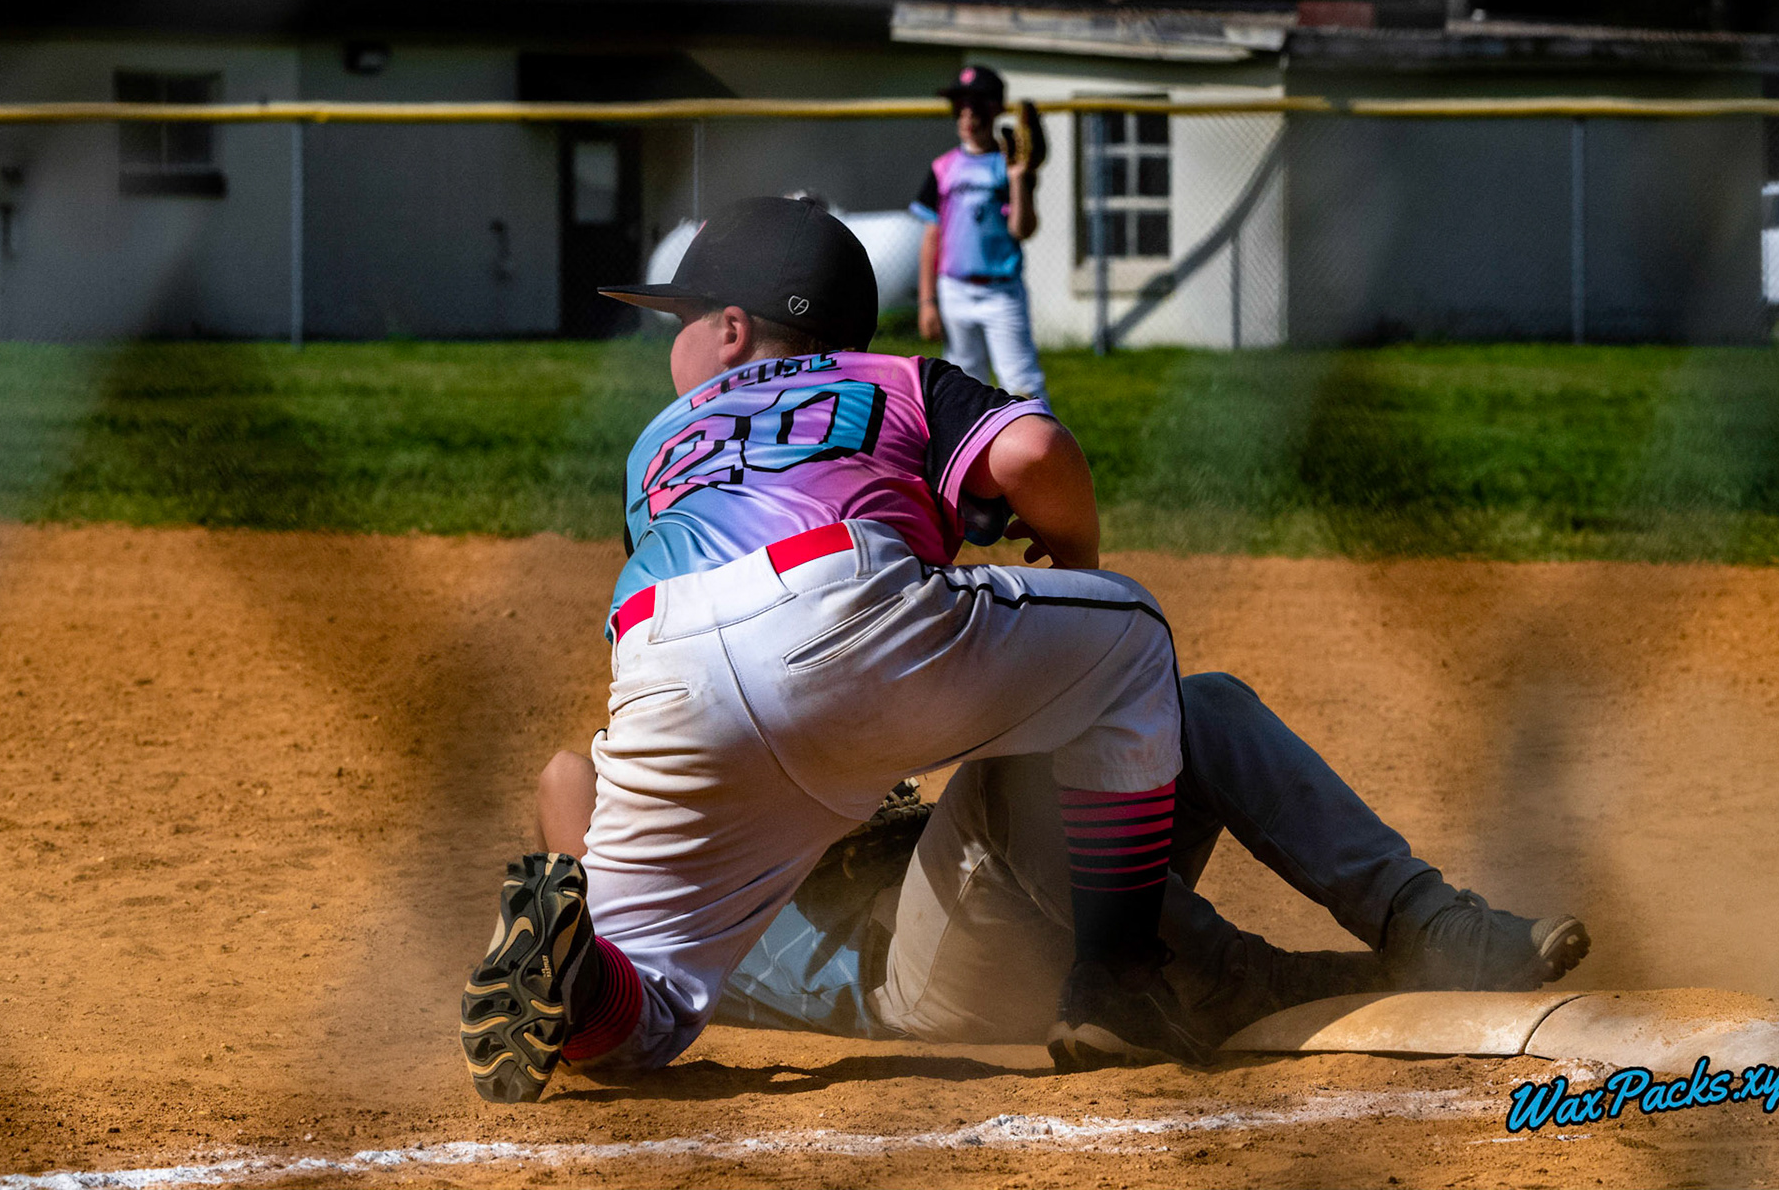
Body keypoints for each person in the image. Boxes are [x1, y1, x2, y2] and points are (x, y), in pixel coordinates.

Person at [461, 194, 1206, 1103]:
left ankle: (579, 971)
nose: (671, 343)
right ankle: (1119, 984)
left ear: (732, 330)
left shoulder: (653, 445)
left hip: (662, 654)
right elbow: (1034, 452)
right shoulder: (898, 377)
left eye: (682, 317)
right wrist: (1074, 562)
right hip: (836, 604)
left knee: (638, 1012)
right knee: (1132, 638)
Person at [531, 672, 1590, 1055]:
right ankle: (1227, 976)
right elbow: (564, 784)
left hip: (1028, 895)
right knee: (1011, 779)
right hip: (920, 975)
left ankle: (1423, 919)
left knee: (1201, 705)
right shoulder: (662, 835)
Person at [911, 65, 1047, 401]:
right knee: (962, 384)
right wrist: (927, 301)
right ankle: (974, 438)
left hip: (1001, 291)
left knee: (1021, 381)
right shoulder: (943, 167)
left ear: (996, 109)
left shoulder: (1009, 163)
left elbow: (1022, 229)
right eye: (960, 106)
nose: (967, 115)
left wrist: (1018, 178)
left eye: (977, 106)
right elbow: (931, 239)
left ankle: (1040, 436)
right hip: (954, 289)